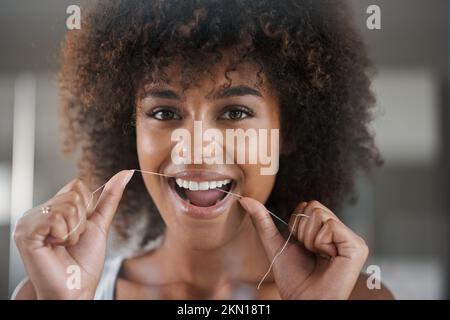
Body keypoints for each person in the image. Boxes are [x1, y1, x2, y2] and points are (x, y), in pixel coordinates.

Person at [13, 0, 393, 299]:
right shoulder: (47, 294)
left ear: (287, 131)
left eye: (234, 112)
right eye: (164, 112)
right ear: (130, 129)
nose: (196, 148)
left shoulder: (356, 297)